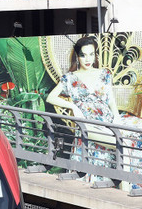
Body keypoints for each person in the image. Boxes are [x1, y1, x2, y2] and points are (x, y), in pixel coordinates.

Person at [46, 35, 142, 188]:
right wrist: (74, 107)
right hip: (88, 124)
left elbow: (110, 99)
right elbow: (50, 97)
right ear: (78, 57)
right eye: (83, 55)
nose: (88, 59)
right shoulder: (70, 78)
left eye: (91, 54)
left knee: (136, 134)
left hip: (108, 119)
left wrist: (116, 117)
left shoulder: (104, 73)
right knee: (124, 144)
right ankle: (127, 189)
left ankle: (130, 184)